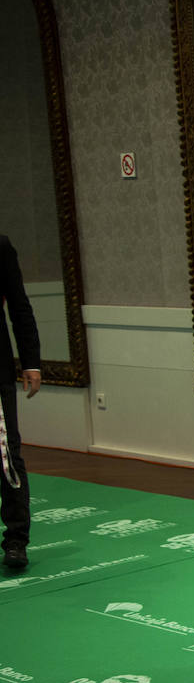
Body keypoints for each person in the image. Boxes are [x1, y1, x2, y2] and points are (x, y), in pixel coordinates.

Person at [0, 235, 40, 570]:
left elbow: (19, 305)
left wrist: (31, 361)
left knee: (7, 454)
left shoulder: (0, 246)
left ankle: (15, 539)